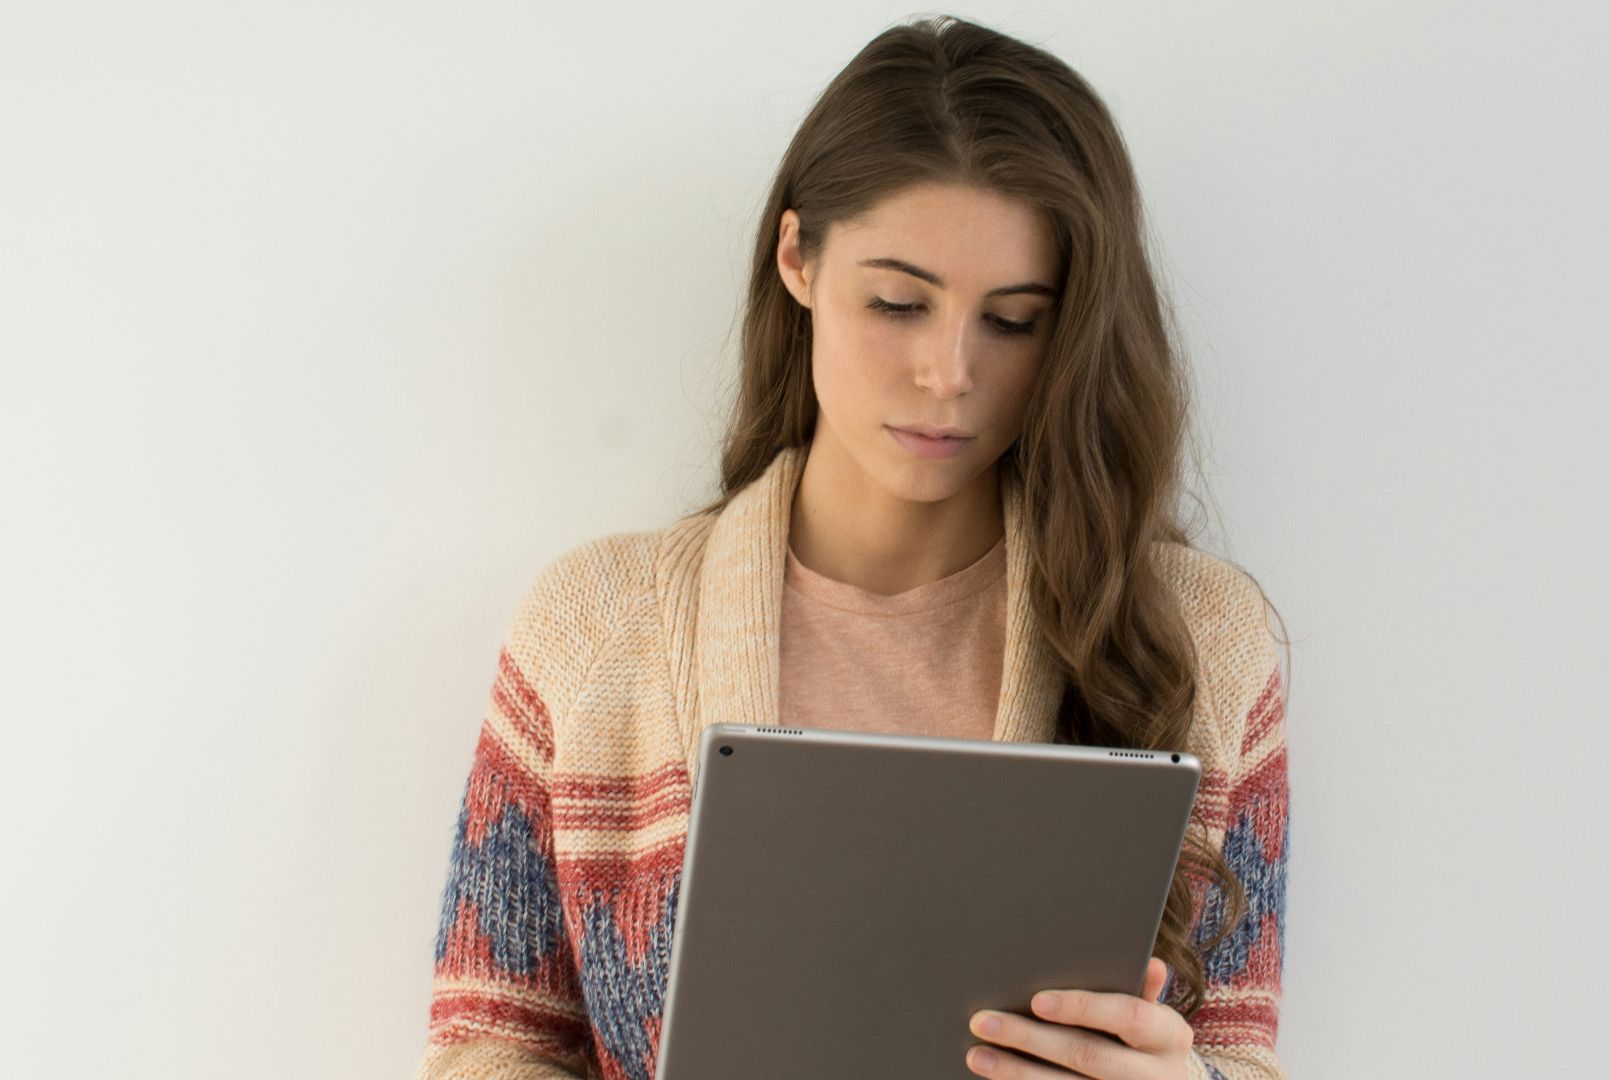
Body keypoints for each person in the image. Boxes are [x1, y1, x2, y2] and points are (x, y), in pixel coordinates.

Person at [415, 14, 1293, 1080]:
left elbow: (1245, 1053)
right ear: (797, 259)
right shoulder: (598, 625)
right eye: (897, 302)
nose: (948, 373)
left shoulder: (1199, 637)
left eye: (1013, 321)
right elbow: (489, 1040)